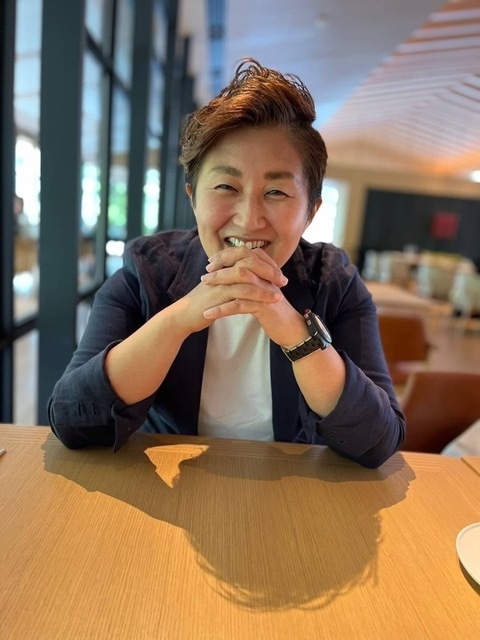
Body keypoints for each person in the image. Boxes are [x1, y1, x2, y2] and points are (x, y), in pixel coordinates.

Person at [48, 59, 405, 468]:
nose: (249, 220)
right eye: (225, 186)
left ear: (310, 211)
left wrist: (293, 330)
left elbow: (378, 442)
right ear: (193, 197)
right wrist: (181, 317)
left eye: (276, 192)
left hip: (293, 490)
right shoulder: (146, 272)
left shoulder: (333, 281)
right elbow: (73, 422)